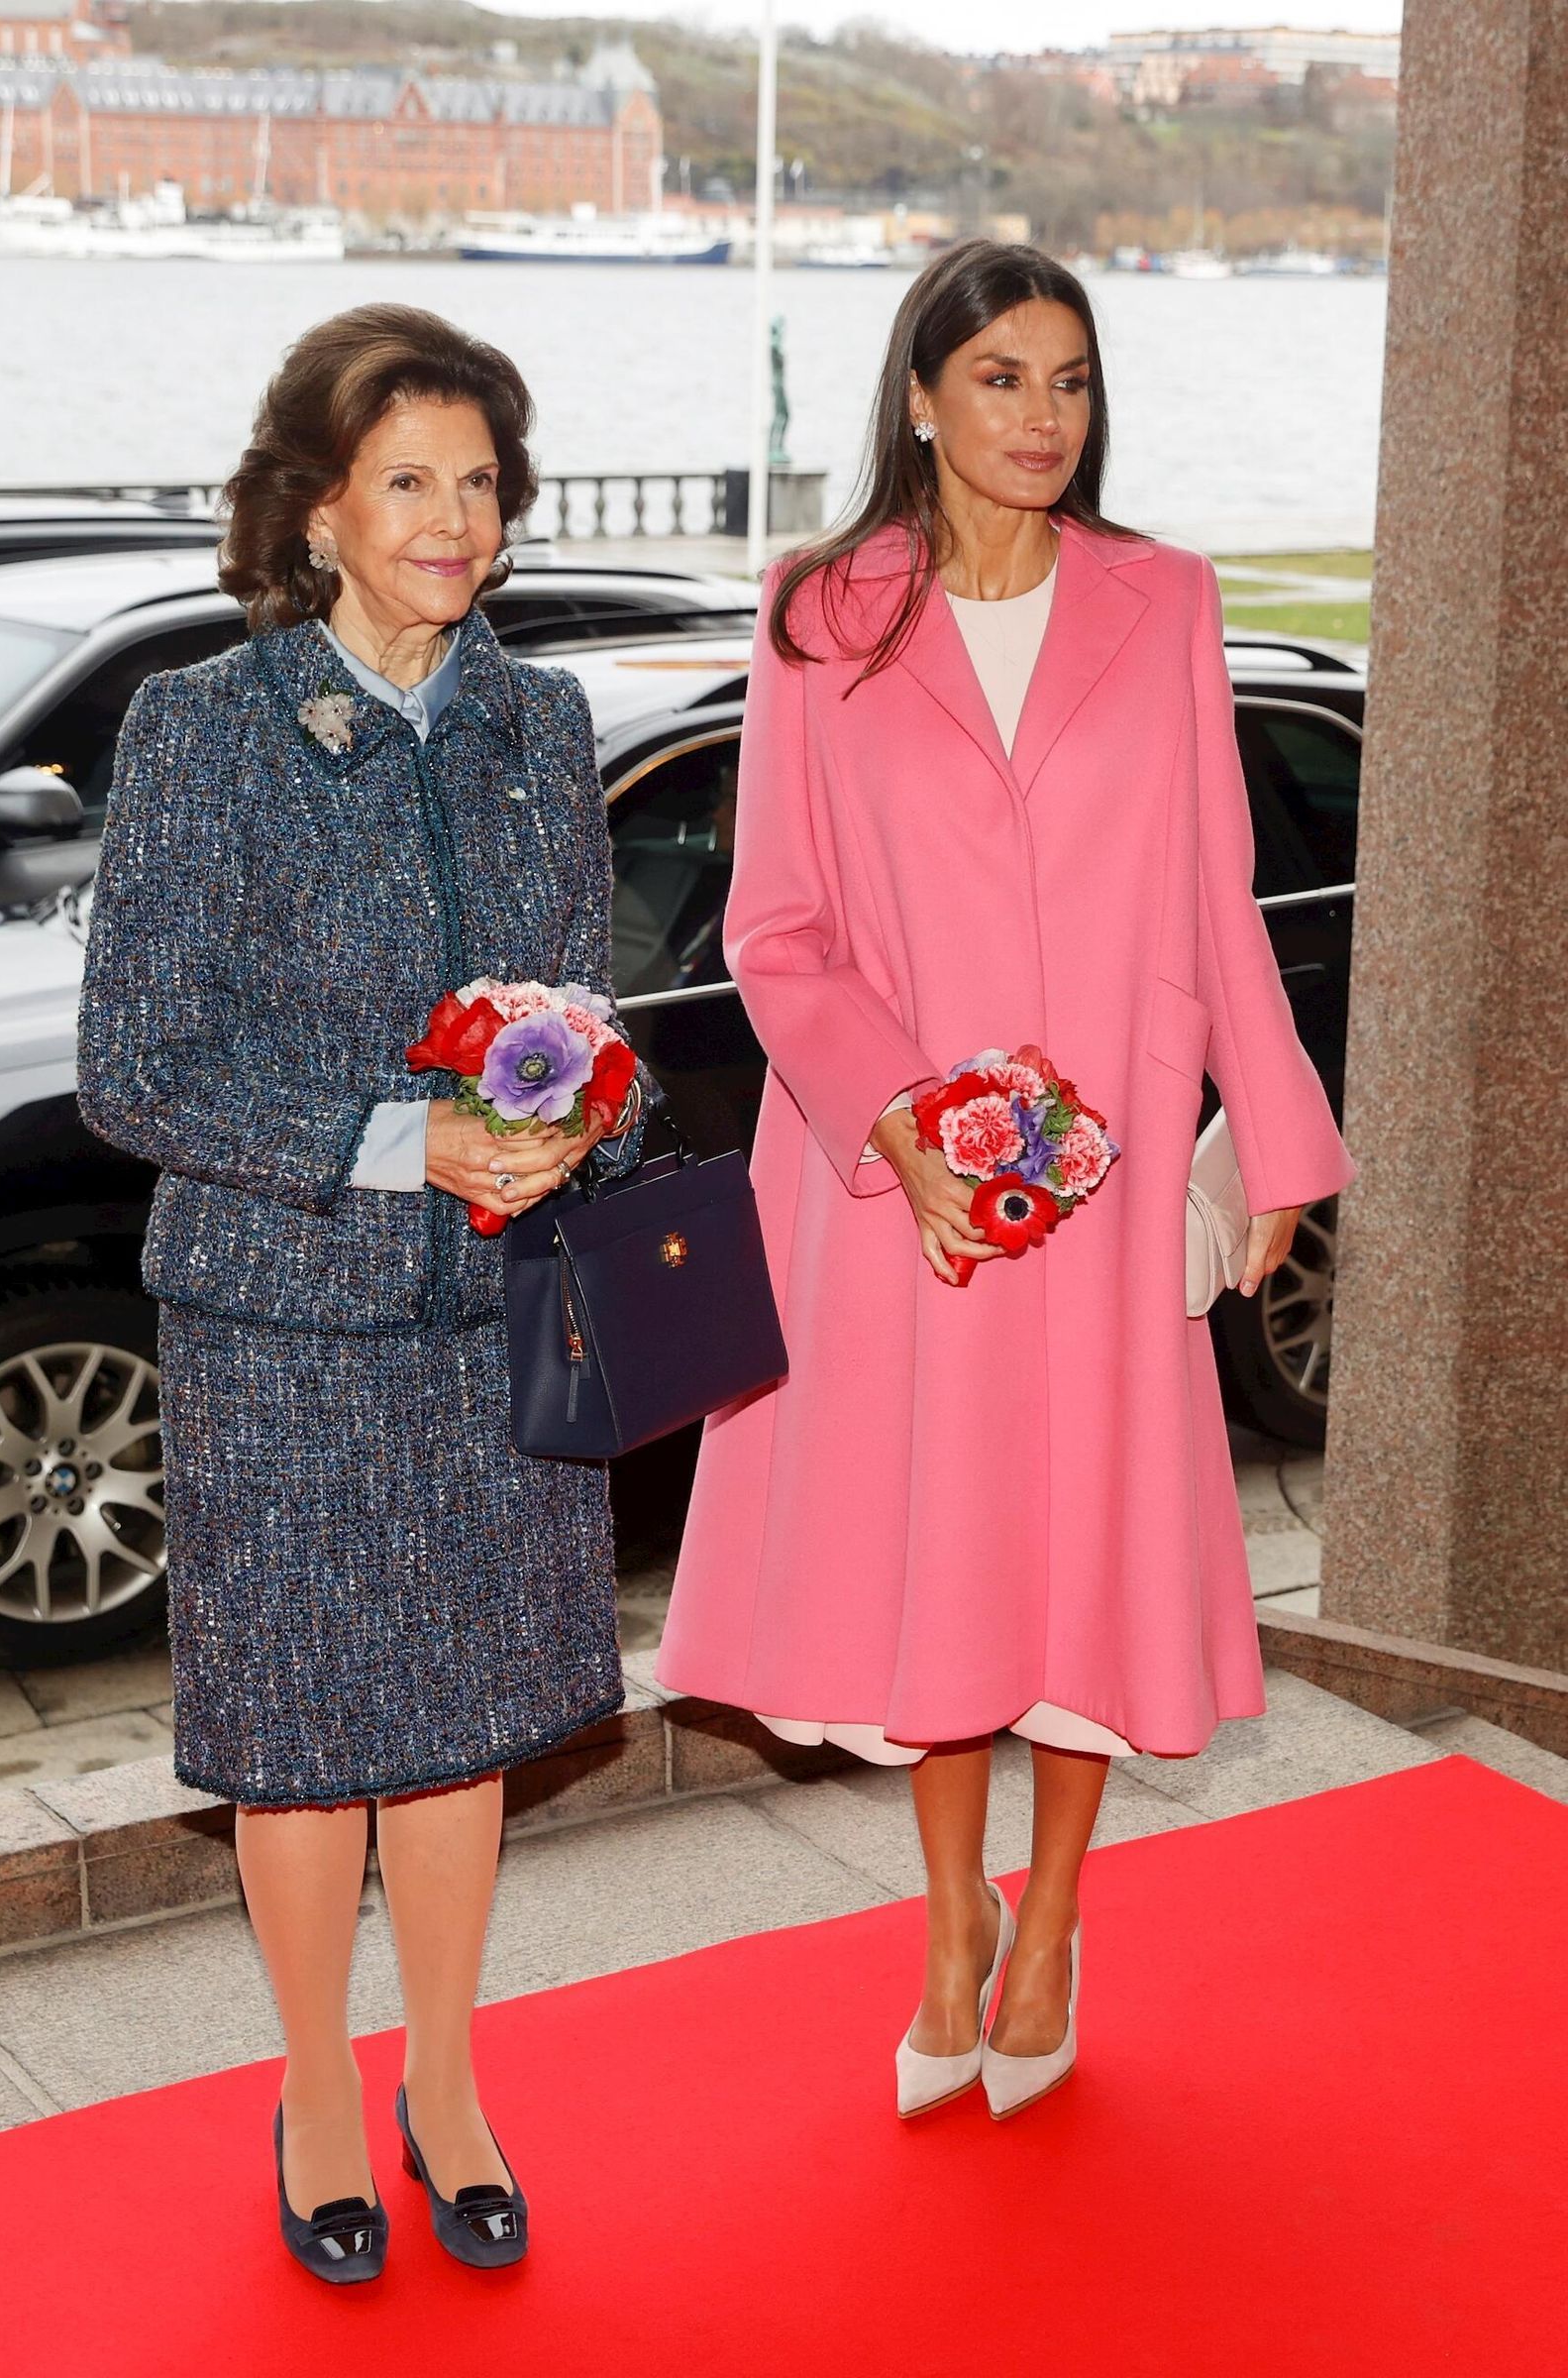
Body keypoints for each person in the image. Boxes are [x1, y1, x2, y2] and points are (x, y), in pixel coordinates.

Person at [655, 242, 1354, 2122]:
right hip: (915, 1190)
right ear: (921, 395)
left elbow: (1216, 889)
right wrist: (899, 1124)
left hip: (1114, 1172)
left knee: (1094, 1545)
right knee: (951, 1550)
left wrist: (1278, 1138)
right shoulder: (820, 612)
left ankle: (1053, 1925)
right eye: (1001, 378)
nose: (1043, 418)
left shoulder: (1164, 596)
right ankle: (951, 1919)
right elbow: (777, 929)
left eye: (1070, 380)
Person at [77, 304, 646, 2280]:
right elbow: (137, 1067)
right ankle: (320, 2086)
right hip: (284, 1329)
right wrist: (407, 1142)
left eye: (479, 482)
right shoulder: (202, 728)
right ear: (314, 507)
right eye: (407, 480)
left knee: (468, 1726)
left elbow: (581, 1011)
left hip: (495, 1312)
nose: (452, 520)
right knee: (308, 1736)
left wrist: (575, 1123)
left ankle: (448, 2079)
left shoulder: (536, 724)